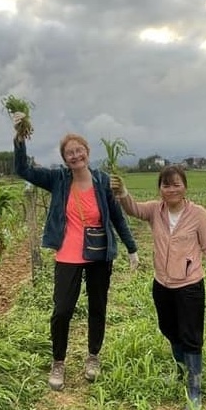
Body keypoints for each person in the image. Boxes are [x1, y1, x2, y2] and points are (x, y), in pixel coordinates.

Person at [12, 115, 139, 391]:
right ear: (64, 158)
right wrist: (20, 137)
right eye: (69, 152)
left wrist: (131, 248)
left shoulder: (103, 181)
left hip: (99, 254)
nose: (75, 155)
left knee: (98, 307)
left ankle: (93, 356)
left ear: (87, 152)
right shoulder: (57, 179)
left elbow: (117, 217)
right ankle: (59, 361)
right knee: (62, 310)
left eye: (78, 150)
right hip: (67, 255)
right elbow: (23, 169)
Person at [111, 166, 206, 410]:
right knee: (168, 329)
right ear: (160, 189)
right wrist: (123, 192)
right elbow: (133, 209)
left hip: (189, 287)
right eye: (166, 185)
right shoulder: (156, 211)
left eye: (176, 184)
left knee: (191, 336)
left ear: (185, 187)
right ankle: (180, 371)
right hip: (162, 285)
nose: (171, 190)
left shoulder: (198, 214)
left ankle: (194, 388)